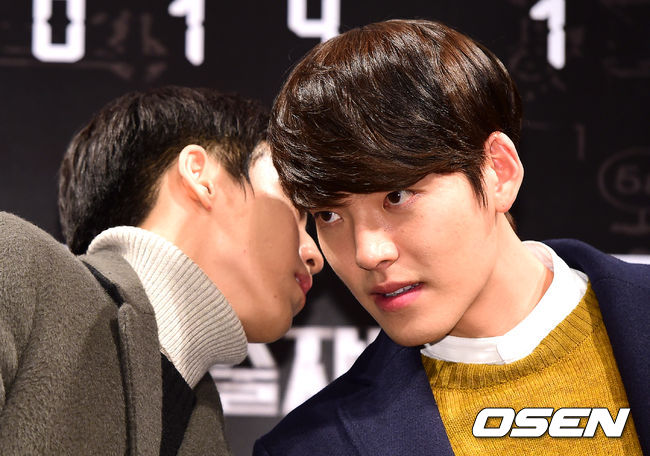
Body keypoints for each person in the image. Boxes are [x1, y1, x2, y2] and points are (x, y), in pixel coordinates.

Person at [253, 20, 649, 456]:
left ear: (498, 171)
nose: (368, 252)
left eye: (397, 196)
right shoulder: (310, 448)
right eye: (328, 215)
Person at [0, 86, 323, 455]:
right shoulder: (13, 260)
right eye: (295, 207)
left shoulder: (204, 427)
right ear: (201, 176)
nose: (314, 254)